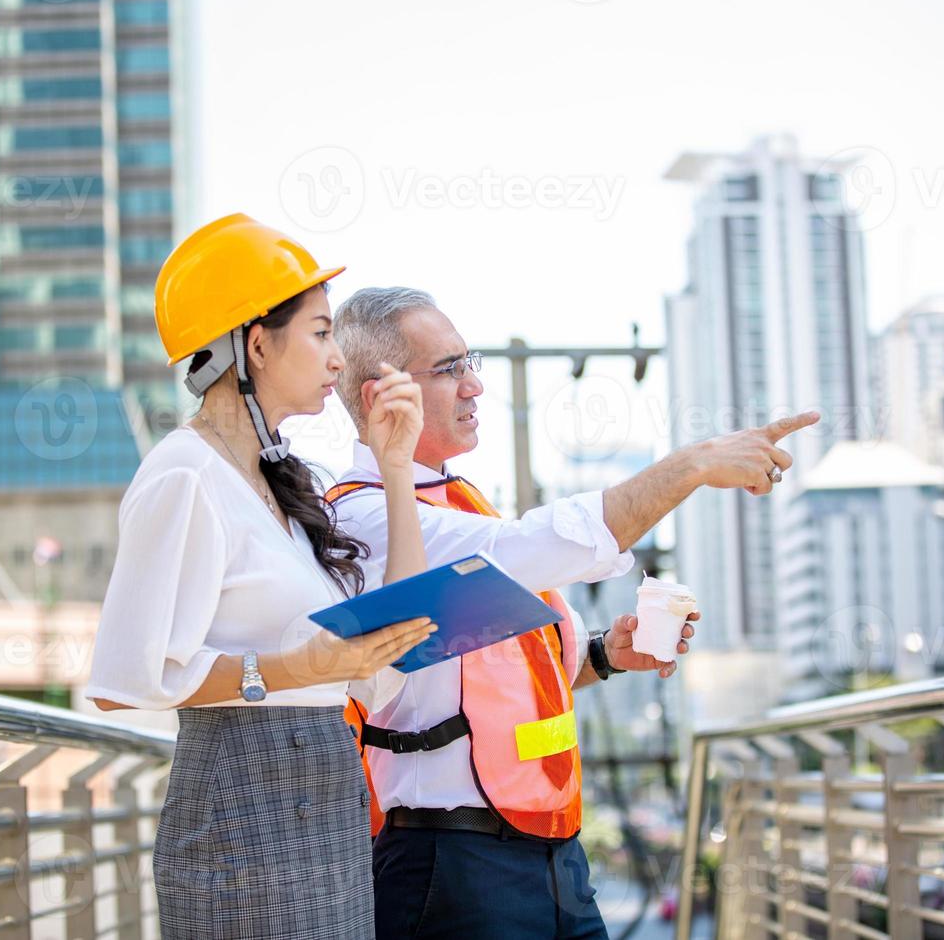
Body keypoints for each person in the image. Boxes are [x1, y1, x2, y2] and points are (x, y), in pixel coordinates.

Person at [327, 286, 820, 940]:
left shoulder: (459, 504)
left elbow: (484, 675)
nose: (474, 385)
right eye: (449, 369)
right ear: (381, 396)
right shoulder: (365, 518)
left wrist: (604, 655)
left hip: (548, 853)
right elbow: (535, 547)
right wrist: (693, 465)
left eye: (469, 361)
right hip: (453, 864)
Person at [85, 216, 434, 940]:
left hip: (328, 799)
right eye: (320, 332)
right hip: (239, 809)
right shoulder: (185, 473)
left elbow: (395, 643)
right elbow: (124, 681)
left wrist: (396, 470)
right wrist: (288, 668)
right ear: (255, 343)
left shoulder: (282, 486)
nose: (338, 358)